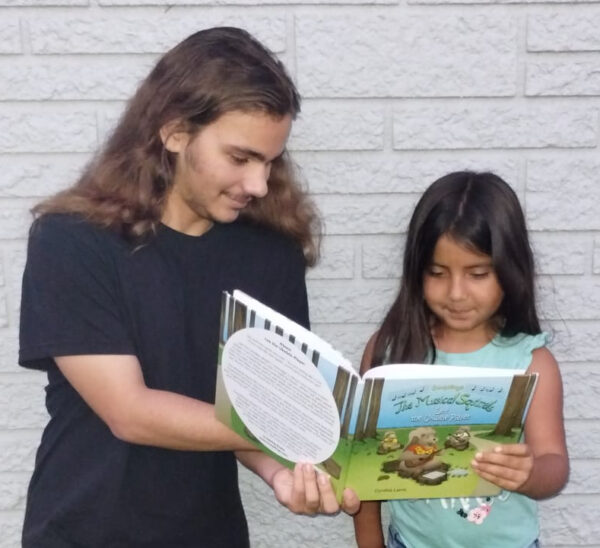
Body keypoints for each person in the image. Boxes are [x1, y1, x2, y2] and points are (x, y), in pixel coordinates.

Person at [18, 27, 358, 547]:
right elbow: (131, 413)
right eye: (240, 158)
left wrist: (283, 472)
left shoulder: (270, 255)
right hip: (82, 533)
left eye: (270, 162)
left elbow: (250, 407)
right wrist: (297, 428)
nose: (259, 185)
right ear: (175, 132)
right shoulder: (72, 241)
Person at [353, 171, 569, 548]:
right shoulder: (389, 351)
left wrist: (529, 472)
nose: (456, 293)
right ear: (416, 271)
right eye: (437, 273)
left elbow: (555, 464)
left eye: (478, 273)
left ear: (510, 269)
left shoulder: (531, 362)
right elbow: (362, 471)